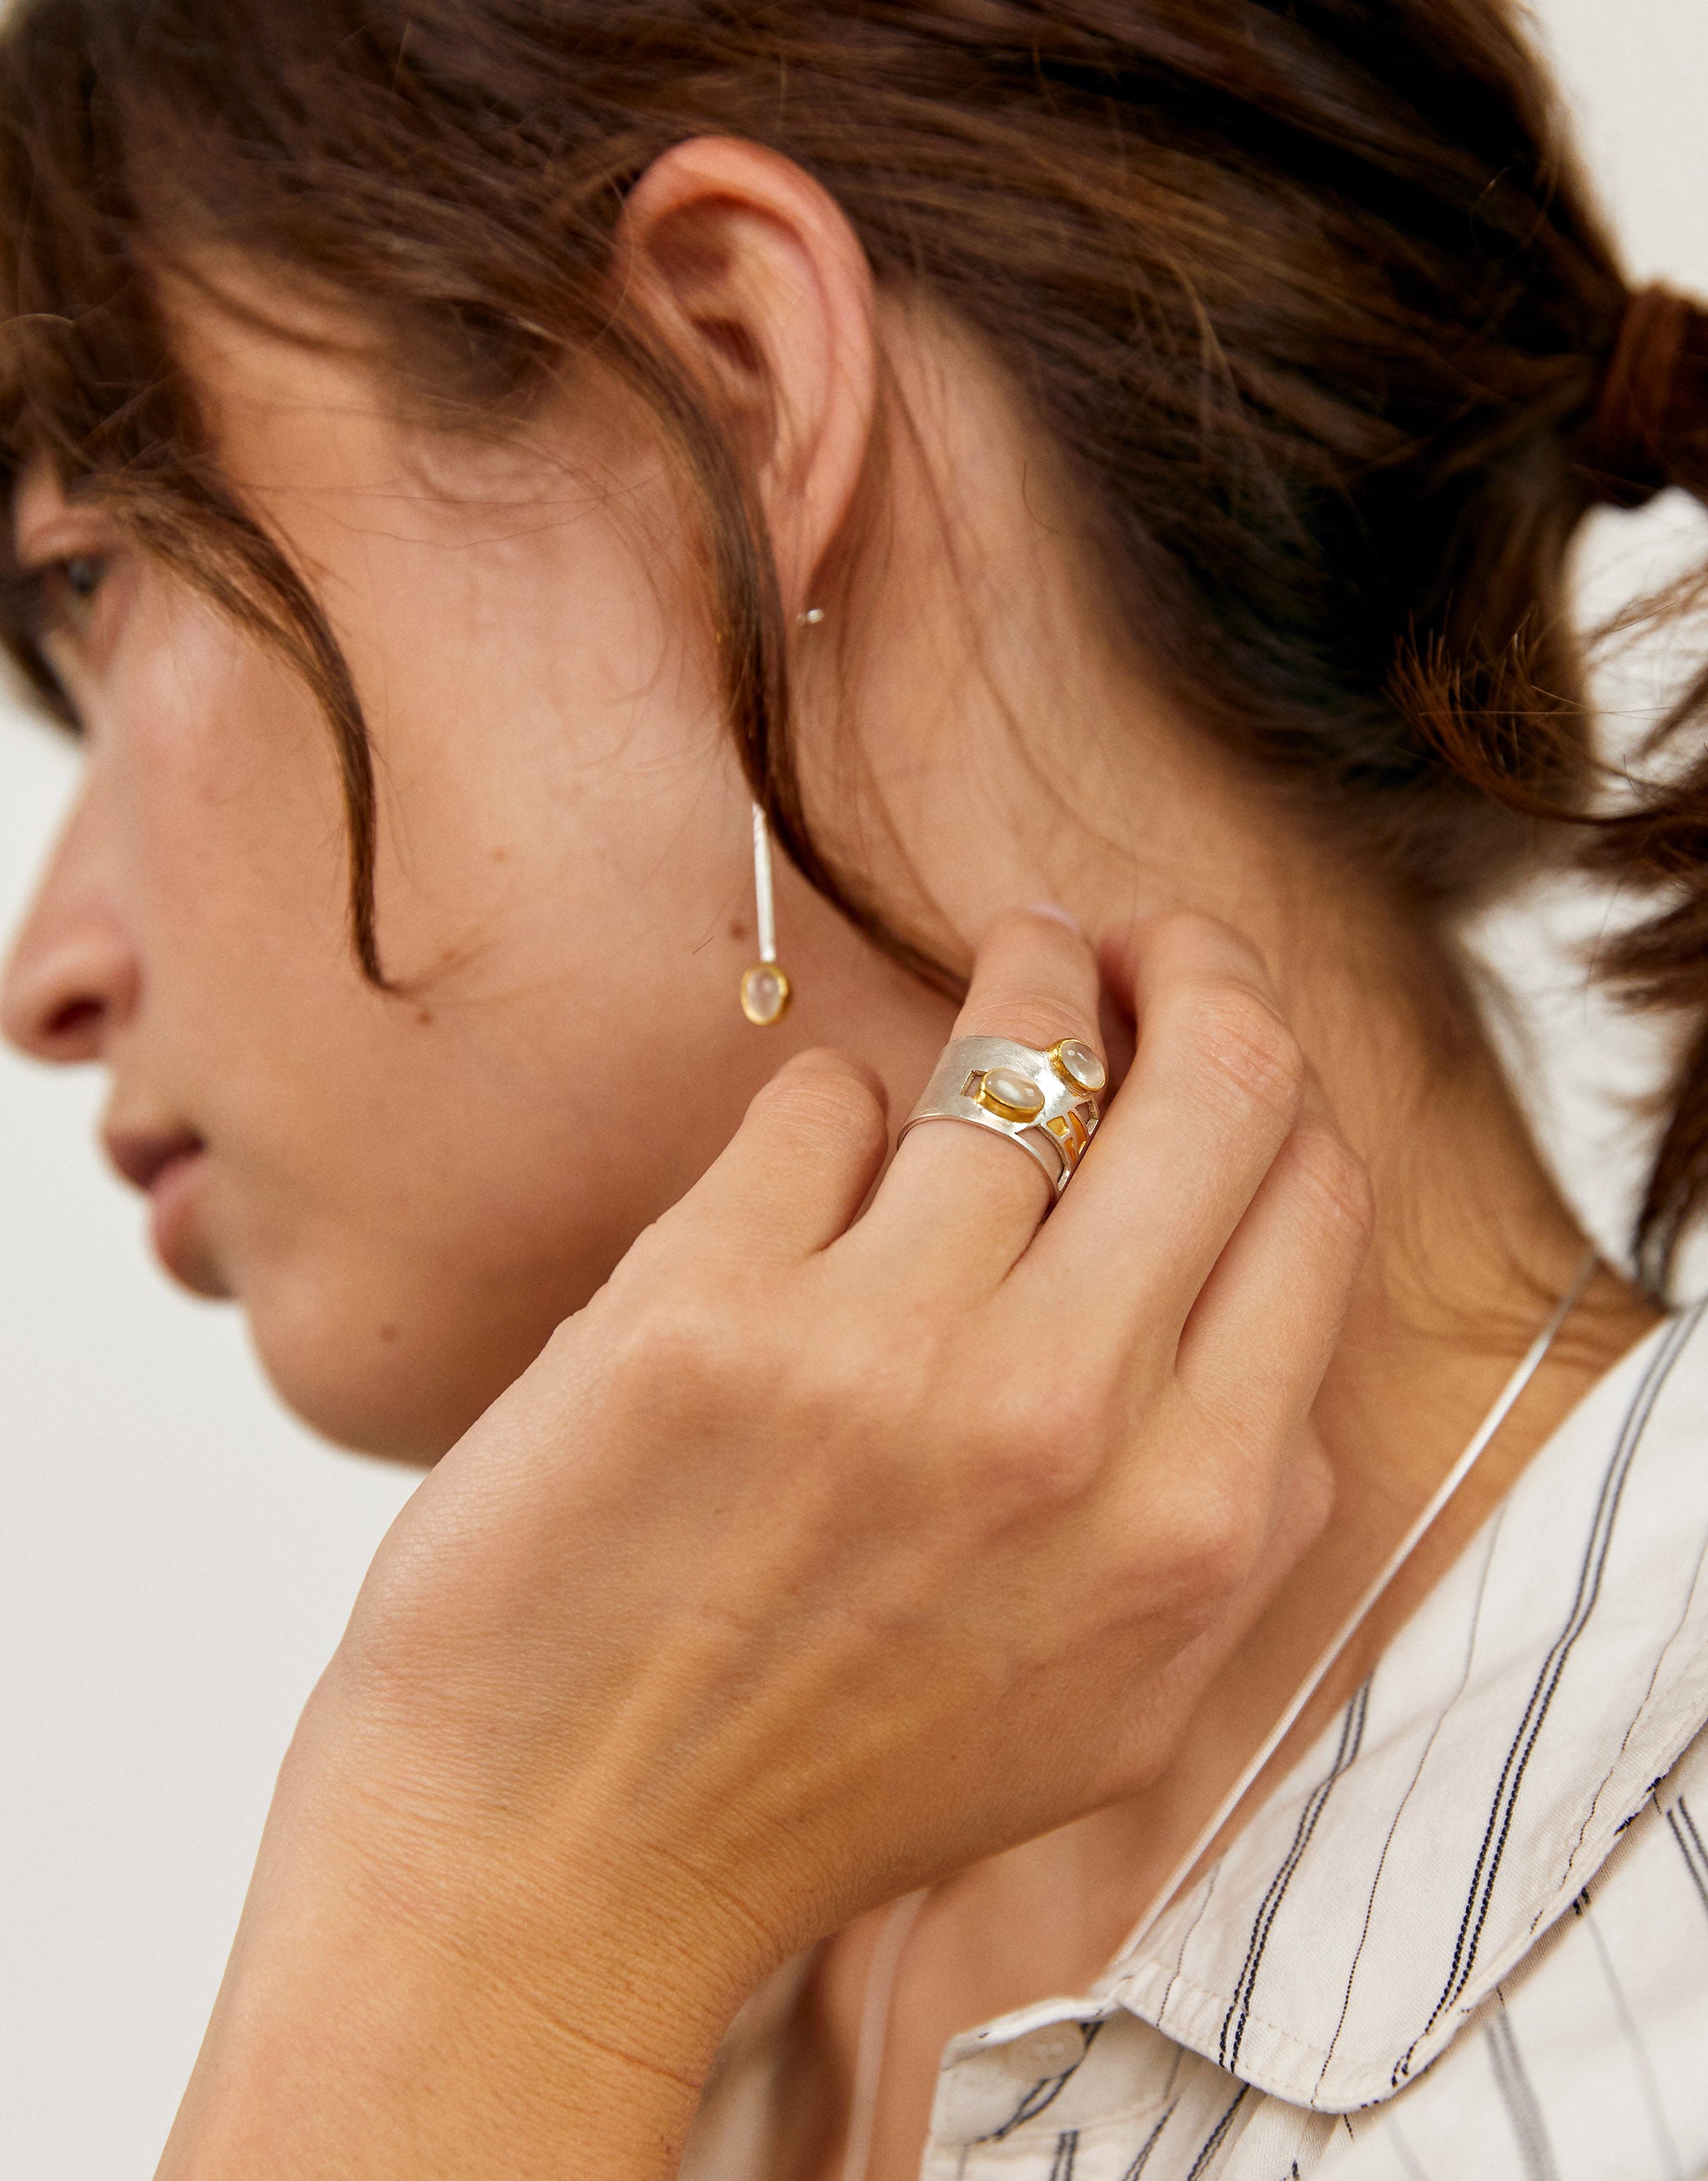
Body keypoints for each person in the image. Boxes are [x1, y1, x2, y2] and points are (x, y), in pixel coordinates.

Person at [2, 1, 1706, 2173]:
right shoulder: (694, 1976)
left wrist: (480, 1923)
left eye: (93, 575)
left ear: (731, 392)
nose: (46, 969)